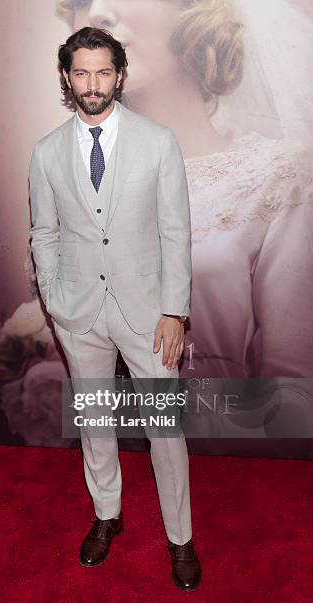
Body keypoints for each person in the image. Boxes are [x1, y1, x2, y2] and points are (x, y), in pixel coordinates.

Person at [53, 0, 313, 449]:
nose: (97, 12)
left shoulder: (279, 182)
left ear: (193, 11)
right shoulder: (68, 179)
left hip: (225, 474)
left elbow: (295, 402)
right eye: (81, 1)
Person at [28, 27, 203, 591]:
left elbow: (176, 232)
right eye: (81, 72)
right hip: (80, 314)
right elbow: (43, 234)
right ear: (66, 77)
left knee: (164, 431)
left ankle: (181, 538)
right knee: (96, 424)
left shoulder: (158, 141)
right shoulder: (47, 151)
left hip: (150, 314)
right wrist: (55, 302)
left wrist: (174, 311)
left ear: (119, 75)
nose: (93, 84)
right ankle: (107, 515)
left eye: (103, 72)